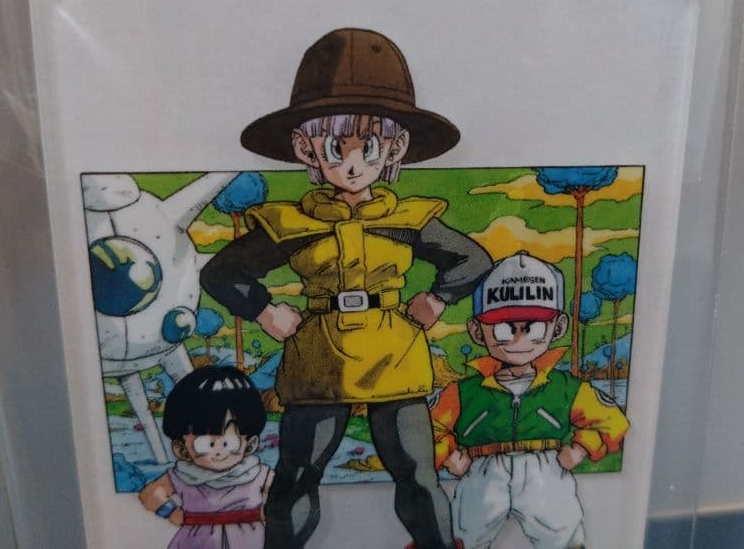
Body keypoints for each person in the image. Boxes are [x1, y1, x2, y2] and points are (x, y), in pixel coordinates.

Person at [200, 28, 491, 549]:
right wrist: (264, 310)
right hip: (318, 362)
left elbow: (473, 258)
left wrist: (438, 297)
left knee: (418, 477)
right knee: (296, 476)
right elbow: (220, 273)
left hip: (396, 358)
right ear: (305, 147)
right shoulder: (291, 222)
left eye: (369, 146)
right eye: (335, 147)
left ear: (395, 147)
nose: (352, 163)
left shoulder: (409, 219)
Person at [430, 252, 629, 549]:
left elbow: (612, 420)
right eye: (504, 329)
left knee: (562, 535)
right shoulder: (464, 391)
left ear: (558, 327)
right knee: (464, 537)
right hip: (482, 473)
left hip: (545, 472)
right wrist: (448, 454)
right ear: (477, 331)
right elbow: (427, 427)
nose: (518, 340)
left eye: (533, 328)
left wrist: (581, 448)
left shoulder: (565, 388)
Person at [139, 365, 272, 549]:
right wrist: (171, 513)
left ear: (250, 444)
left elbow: (284, 493)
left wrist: (271, 512)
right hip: (195, 542)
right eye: (205, 444)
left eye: (229, 442)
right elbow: (150, 495)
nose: (218, 451)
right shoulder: (183, 476)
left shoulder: (257, 474)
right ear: (181, 449)